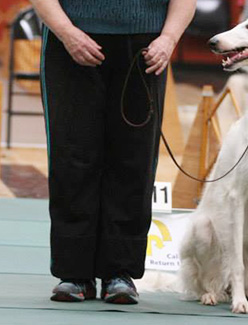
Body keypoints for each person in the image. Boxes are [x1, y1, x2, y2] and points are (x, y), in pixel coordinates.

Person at [30, 0, 196, 304]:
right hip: (72, 40)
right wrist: (67, 32)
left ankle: (119, 273)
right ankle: (74, 273)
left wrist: (168, 38)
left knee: (134, 159)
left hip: (146, 45)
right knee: (73, 156)